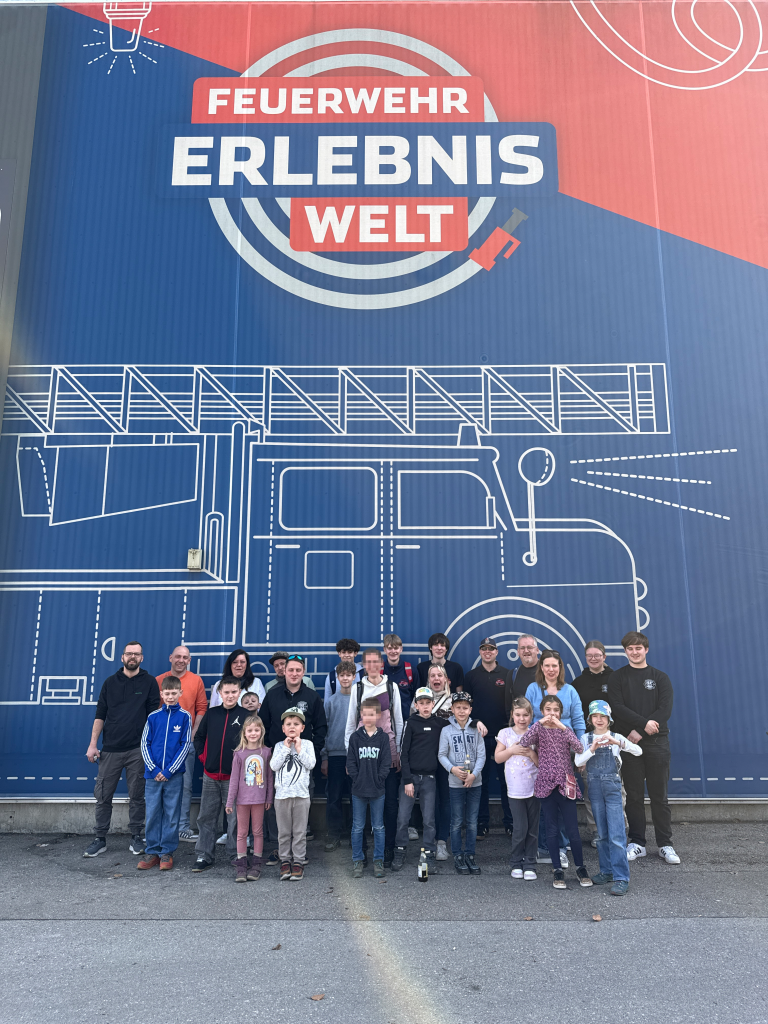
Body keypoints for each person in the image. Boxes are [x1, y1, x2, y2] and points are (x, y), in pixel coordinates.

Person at [607, 631, 679, 865]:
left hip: (657, 743)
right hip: (629, 744)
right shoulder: (618, 677)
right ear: (625, 651)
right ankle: (637, 843)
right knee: (634, 796)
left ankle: (665, 844)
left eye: (638, 648)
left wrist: (642, 729)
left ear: (646, 649)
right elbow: (617, 707)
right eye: (630, 648)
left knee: (659, 796)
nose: (634, 652)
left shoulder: (660, 678)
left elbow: (665, 709)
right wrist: (641, 726)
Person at [83, 641, 160, 859]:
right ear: (122, 657)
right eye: (129, 653)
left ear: (142, 658)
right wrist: (93, 744)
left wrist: (151, 748)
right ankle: (100, 839)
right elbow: (100, 715)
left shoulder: (150, 682)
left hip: (138, 749)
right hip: (110, 749)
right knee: (103, 795)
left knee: (137, 796)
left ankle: (136, 837)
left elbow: (153, 717)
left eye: (136, 654)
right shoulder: (110, 683)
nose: (132, 657)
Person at [518, 694, 592, 889]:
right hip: (546, 784)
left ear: (561, 712)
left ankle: (580, 867)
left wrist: (563, 727)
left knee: (572, 829)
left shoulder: (565, 729)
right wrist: (539, 723)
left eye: (556, 710)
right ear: (542, 711)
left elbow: (579, 747)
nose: (552, 714)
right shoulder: (539, 729)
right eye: (548, 710)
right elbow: (524, 742)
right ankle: (557, 869)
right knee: (551, 828)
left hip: (566, 784)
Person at [260, 654, 327, 857]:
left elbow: (321, 727)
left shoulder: (312, 697)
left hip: (303, 759)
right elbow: (263, 724)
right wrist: (270, 750)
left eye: (298, 670)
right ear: (284, 671)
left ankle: (298, 852)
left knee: (302, 802)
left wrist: (312, 750)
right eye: (291, 670)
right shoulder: (272, 695)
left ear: (303, 672)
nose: (294, 673)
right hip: (278, 759)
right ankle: (278, 848)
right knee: (277, 803)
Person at [344, 647, 404, 866]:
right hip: (362, 757)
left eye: (375, 662)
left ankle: (387, 849)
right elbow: (351, 723)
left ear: (381, 664)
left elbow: (398, 721)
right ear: (363, 665)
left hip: (387, 754)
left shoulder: (391, 687)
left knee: (389, 805)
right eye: (367, 662)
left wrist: (397, 752)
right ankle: (361, 852)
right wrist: (350, 757)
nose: (371, 666)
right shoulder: (358, 688)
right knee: (361, 806)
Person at [574, 700, 642, 895]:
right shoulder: (585, 738)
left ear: (609, 719)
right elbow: (578, 761)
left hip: (613, 789)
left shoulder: (616, 736)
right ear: (590, 719)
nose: (599, 720)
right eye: (595, 716)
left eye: (603, 716)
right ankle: (606, 871)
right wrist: (592, 748)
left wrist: (618, 743)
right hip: (595, 789)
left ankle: (621, 877)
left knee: (617, 835)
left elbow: (638, 751)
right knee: (602, 834)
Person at [525, 650, 586, 866]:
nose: (551, 669)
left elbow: (578, 721)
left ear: (560, 668)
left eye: (555, 665)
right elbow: (528, 719)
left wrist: (580, 756)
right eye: (547, 665)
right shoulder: (533, 689)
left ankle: (563, 843)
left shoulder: (570, 690)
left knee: (565, 799)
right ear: (541, 668)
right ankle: (548, 846)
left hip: (566, 751)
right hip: (542, 750)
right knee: (547, 801)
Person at [137, 676, 192, 871]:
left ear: (180, 693)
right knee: (152, 812)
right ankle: (152, 851)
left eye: (173, 693)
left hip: (173, 776)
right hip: (152, 776)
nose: (170, 696)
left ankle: (167, 852)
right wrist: (153, 769)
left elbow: (185, 745)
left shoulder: (185, 717)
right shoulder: (153, 717)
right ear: (161, 694)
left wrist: (169, 770)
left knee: (171, 814)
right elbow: (145, 743)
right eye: (167, 693)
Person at [392, 687, 449, 872]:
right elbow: (404, 753)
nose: (425, 706)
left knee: (429, 820)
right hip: (410, 779)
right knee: (403, 818)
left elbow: (460, 721)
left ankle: (429, 853)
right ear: (416, 705)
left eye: (428, 703)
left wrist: (477, 722)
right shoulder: (410, 723)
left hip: (430, 779)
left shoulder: (440, 723)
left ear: (433, 704)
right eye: (421, 703)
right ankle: (400, 850)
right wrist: (407, 779)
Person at [156, 645, 208, 843]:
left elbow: (201, 708)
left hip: (186, 743)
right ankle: (161, 828)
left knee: (185, 786)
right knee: (161, 785)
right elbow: (153, 711)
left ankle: (183, 827)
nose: (181, 660)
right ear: (170, 658)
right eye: (177, 656)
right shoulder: (159, 680)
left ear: (189, 660)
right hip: (162, 745)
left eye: (185, 657)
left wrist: (193, 734)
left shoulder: (196, 680)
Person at [191, 677, 243, 872]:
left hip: (234, 778)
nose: (230, 696)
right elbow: (199, 737)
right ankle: (204, 855)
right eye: (226, 692)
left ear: (239, 693)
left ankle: (236, 854)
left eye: (233, 692)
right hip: (210, 775)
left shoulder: (246, 715)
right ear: (220, 693)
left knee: (235, 819)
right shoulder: (212, 714)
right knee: (206, 816)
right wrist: (204, 757)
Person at [463, 638, 512, 839]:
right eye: (484, 648)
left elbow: (513, 704)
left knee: (507, 782)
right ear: (480, 652)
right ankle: (482, 824)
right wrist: (475, 721)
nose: (487, 651)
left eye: (491, 648)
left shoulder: (508, 674)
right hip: (479, 737)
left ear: (497, 652)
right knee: (480, 782)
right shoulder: (471, 676)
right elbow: (465, 707)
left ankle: (510, 823)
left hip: (503, 738)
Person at [438, 692, 486, 875]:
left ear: (470, 710)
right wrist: (452, 769)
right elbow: (441, 755)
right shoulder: (446, 731)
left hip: (475, 783)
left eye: (465, 707)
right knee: (457, 821)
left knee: (472, 821)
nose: (461, 711)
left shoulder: (477, 729)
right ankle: (458, 854)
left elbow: (481, 755)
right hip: (455, 783)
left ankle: (470, 854)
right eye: (458, 707)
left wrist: (474, 775)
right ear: (452, 709)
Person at [572, 640, 614, 843]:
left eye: (597, 655)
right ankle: (596, 831)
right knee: (591, 791)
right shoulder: (578, 683)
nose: (593, 658)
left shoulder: (616, 679)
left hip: (612, 741)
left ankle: (618, 829)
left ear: (604, 656)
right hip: (589, 743)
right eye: (589, 655)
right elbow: (576, 715)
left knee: (615, 790)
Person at [346, 697, 392, 878]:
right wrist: (357, 779)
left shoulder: (383, 737)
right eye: (365, 714)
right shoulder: (355, 738)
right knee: (357, 827)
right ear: (361, 716)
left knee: (378, 827)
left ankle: (378, 861)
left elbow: (386, 763)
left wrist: (380, 779)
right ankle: (357, 860)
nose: (368, 718)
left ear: (378, 715)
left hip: (377, 790)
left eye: (372, 714)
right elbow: (351, 762)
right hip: (358, 790)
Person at [495, 696, 539, 880]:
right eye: (518, 715)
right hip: (515, 790)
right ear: (512, 715)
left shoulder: (535, 733)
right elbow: (498, 758)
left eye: (525, 715)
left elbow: (541, 763)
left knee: (532, 829)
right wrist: (511, 751)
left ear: (531, 716)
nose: (522, 719)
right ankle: (516, 862)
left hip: (534, 789)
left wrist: (531, 753)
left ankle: (530, 863)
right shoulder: (505, 733)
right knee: (520, 828)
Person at [226, 714, 274, 882]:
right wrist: (230, 801)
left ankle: (256, 865)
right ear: (244, 733)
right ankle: (241, 865)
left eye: (256, 730)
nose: (253, 733)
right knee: (242, 832)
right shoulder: (239, 754)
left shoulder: (266, 752)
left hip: (259, 800)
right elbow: (234, 779)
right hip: (242, 800)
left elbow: (269, 778)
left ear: (261, 732)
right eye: (250, 730)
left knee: (258, 832)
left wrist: (269, 798)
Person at [270, 707, 316, 881]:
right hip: (282, 797)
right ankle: (285, 860)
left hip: (301, 796)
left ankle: (298, 861)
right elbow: (274, 766)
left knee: (299, 832)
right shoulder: (278, 746)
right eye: (288, 724)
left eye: (296, 724)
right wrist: (285, 748)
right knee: (283, 832)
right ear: (283, 728)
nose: (292, 727)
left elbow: (311, 764)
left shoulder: (307, 745)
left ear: (302, 728)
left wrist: (298, 748)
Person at [321, 662, 356, 851]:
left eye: (348, 675)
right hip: (334, 756)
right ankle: (333, 834)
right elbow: (324, 730)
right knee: (333, 797)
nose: (345, 678)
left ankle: (354, 835)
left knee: (355, 797)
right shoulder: (331, 702)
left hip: (355, 757)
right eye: (341, 675)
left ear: (354, 677)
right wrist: (325, 757)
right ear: (337, 678)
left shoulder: (359, 701)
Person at [420, 665, 453, 860]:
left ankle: (442, 842)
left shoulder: (453, 701)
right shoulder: (419, 700)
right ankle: (429, 842)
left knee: (445, 800)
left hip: (448, 758)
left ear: (446, 679)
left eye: (439, 675)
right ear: (428, 680)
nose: (436, 678)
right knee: (429, 801)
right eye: (432, 675)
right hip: (426, 757)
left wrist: (477, 722)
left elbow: (465, 721)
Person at [504, 635, 541, 715]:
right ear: (518, 652)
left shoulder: (547, 672)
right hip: (521, 722)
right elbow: (509, 706)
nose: (526, 651)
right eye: (522, 648)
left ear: (537, 650)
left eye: (530, 647)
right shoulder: (513, 675)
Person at [381, 633, 416, 718]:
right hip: (384, 720)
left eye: (396, 648)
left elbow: (417, 697)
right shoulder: (378, 671)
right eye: (390, 648)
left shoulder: (411, 670)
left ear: (401, 649)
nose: (393, 651)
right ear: (385, 650)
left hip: (406, 718)